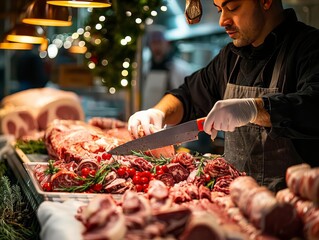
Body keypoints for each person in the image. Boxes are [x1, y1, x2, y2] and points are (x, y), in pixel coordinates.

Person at [127, 0, 319, 192]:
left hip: (294, 208)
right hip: (233, 201)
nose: (222, 20)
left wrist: (255, 109)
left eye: (232, 8)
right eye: (219, 10)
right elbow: (188, 95)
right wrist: (157, 113)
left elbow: (313, 105)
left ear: (265, 1)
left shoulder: (310, 47)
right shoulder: (230, 58)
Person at [141, 26, 195, 110]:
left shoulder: (182, 69)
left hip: (173, 117)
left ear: (167, 44)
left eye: (159, 42)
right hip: (148, 114)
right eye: (153, 43)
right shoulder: (145, 69)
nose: (157, 47)